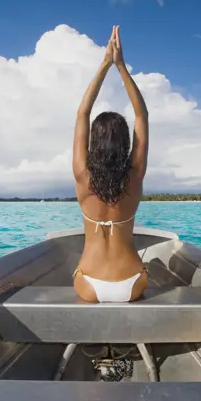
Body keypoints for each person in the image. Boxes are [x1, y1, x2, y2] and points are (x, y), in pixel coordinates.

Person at [71, 25, 149, 303]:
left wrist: (105, 64)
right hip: (133, 283)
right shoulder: (135, 176)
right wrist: (121, 67)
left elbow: (82, 113)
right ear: (125, 144)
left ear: (94, 144)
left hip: (89, 284)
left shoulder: (82, 177)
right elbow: (141, 115)